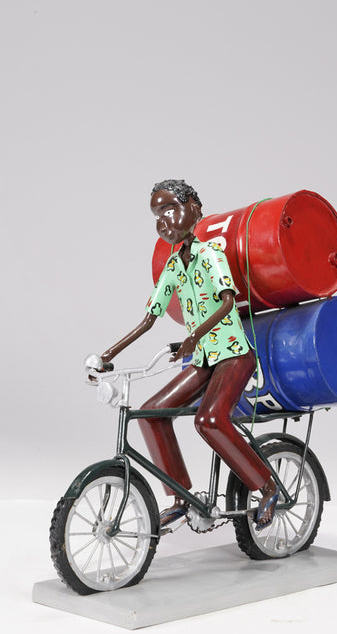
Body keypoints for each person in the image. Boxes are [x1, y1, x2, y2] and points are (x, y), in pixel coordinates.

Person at [100, 179, 278, 530]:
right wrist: (107, 356)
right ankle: (181, 497)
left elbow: (228, 302)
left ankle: (267, 487)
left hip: (233, 355)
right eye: (157, 215)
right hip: (204, 359)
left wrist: (194, 336)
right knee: (152, 413)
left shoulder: (210, 255)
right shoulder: (172, 267)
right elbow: (149, 319)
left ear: (194, 208)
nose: (163, 220)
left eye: (169, 209)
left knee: (209, 420)